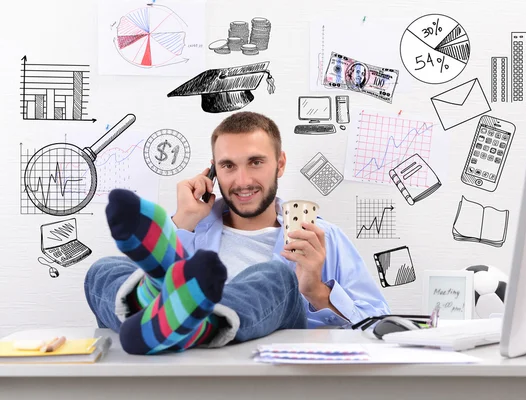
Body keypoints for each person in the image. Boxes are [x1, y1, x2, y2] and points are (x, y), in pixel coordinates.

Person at [85, 111, 391, 355]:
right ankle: (176, 319)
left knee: (277, 279)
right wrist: (182, 222)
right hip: (186, 375)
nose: (242, 180)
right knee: (104, 270)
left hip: (265, 378)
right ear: (213, 172)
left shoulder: (321, 238)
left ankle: (194, 322)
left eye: (256, 162)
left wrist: (317, 292)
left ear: (280, 164)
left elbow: (379, 327)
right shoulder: (189, 230)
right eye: (228, 166)